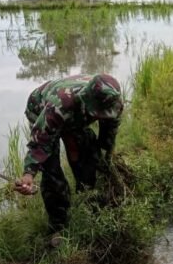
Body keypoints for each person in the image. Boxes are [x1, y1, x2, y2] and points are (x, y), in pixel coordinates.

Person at [14, 74, 123, 234]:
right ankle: (59, 226)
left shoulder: (113, 101)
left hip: (75, 112)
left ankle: (88, 205)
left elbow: (109, 132)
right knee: (51, 171)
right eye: (97, 113)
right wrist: (29, 174)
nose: (99, 117)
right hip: (40, 108)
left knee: (88, 158)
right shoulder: (60, 105)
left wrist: (107, 160)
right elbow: (40, 143)